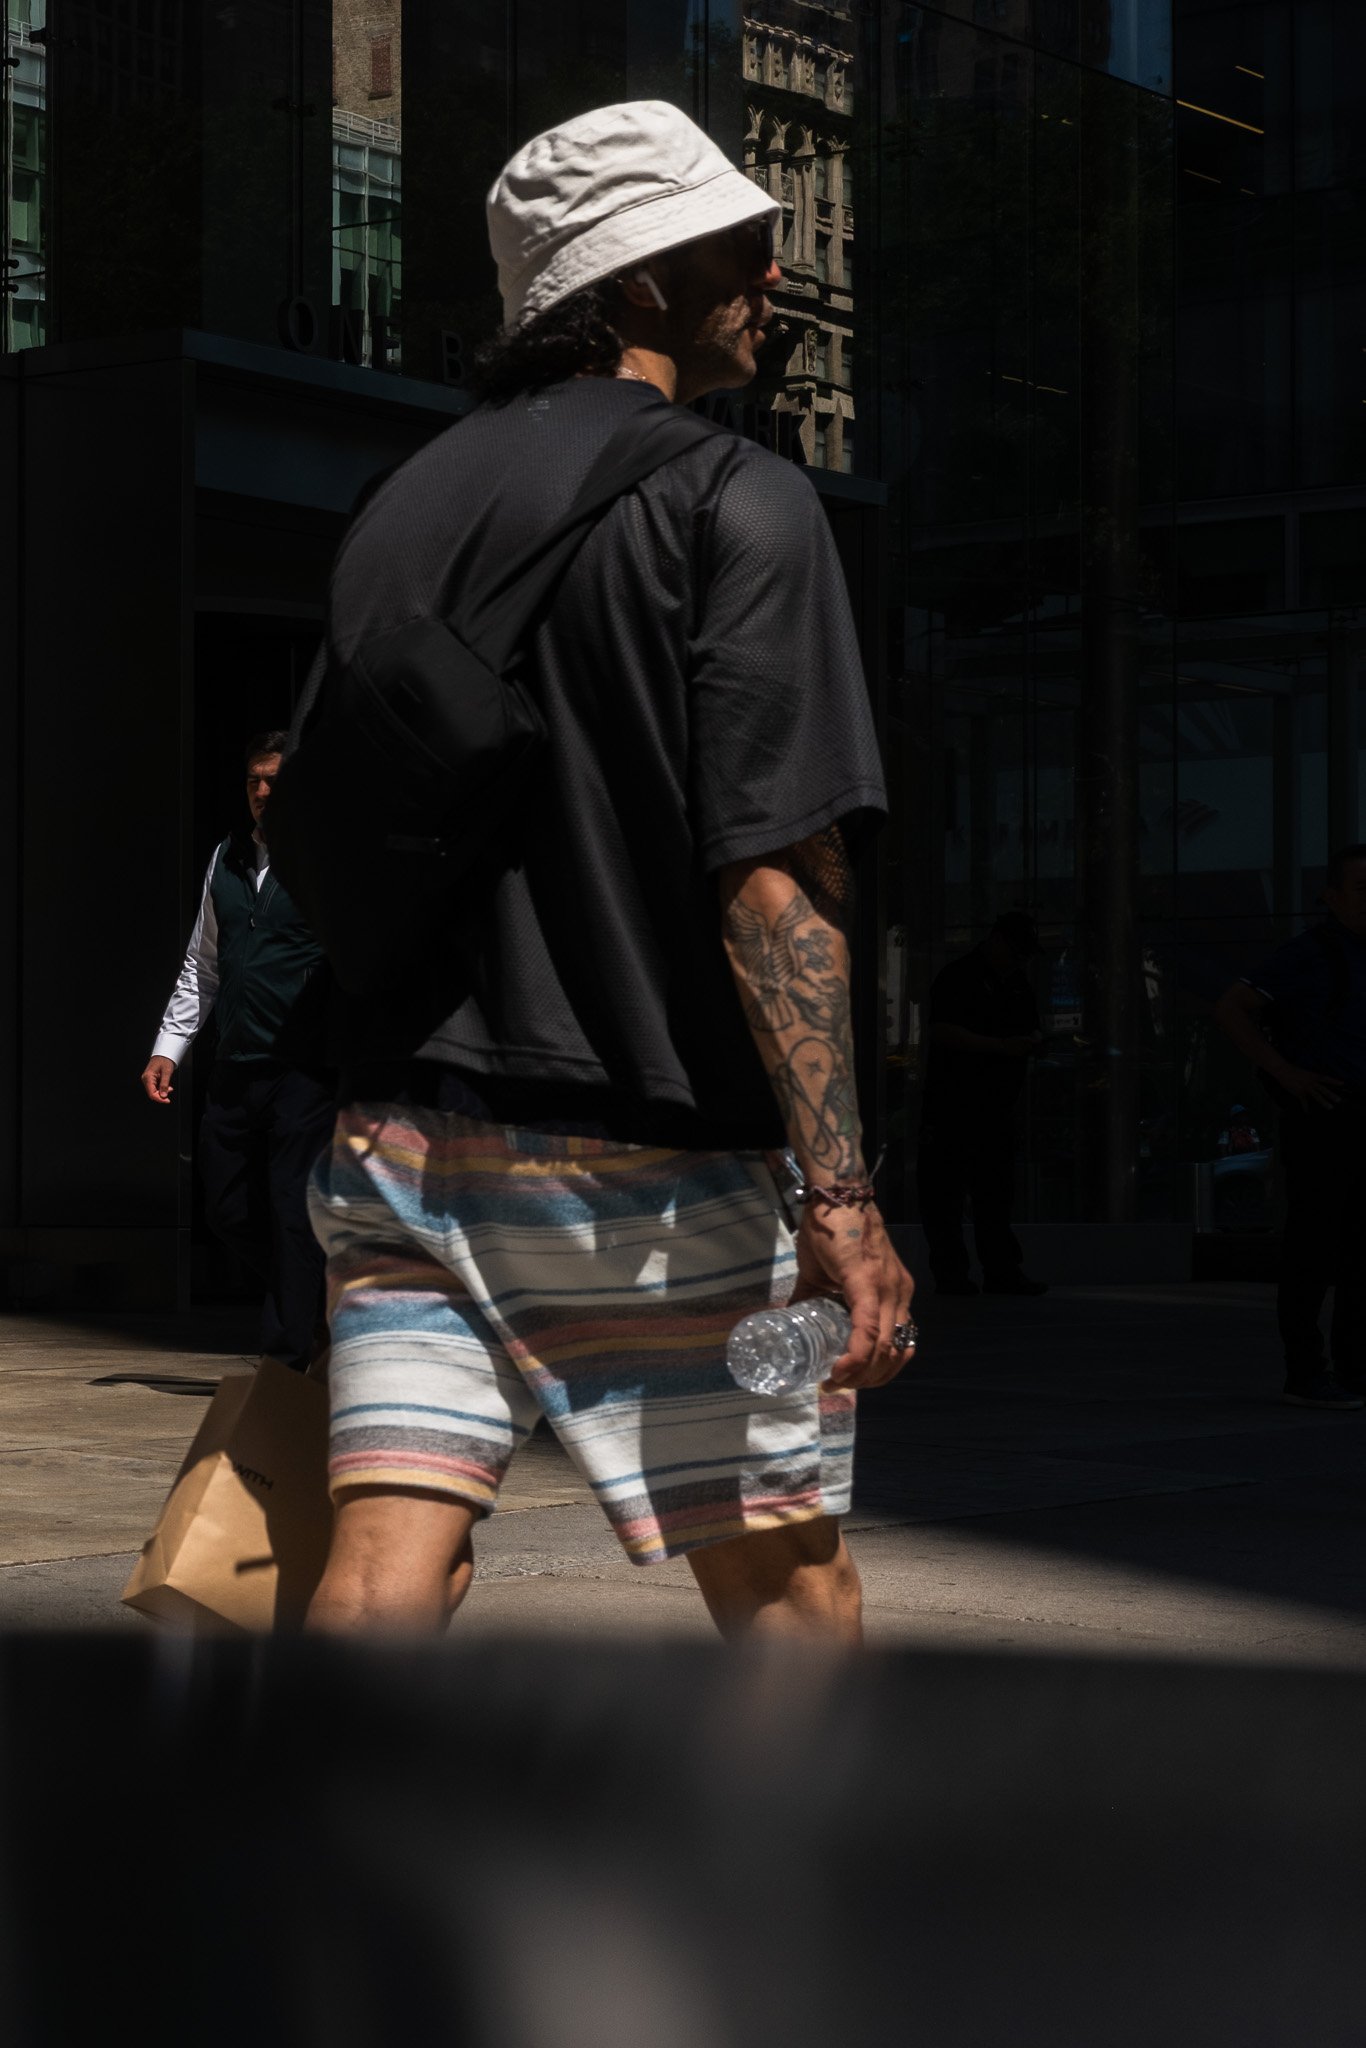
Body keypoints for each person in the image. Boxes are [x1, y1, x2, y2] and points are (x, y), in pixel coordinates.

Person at [302, 99, 916, 1643]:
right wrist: (841, 1198)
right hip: (657, 1165)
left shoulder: (399, 505)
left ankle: (291, 1868)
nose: (776, 274)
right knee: (787, 1582)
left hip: (398, 1144)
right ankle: (786, 1889)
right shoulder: (736, 497)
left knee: (386, 1564)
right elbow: (775, 878)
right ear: (632, 282)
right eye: (745, 246)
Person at [141, 733, 333, 1372]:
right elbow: (204, 964)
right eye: (253, 781)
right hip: (235, 1061)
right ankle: (315, 1294)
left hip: (304, 1067)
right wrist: (171, 1046)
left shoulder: (324, 859)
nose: (261, 792)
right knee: (225, 1208)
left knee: (289, 1204)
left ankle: (287, 1360)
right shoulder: (226, 856)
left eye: (274, 780)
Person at [1214, 845, 1366, 1410]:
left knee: (1358, 1250)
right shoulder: (1311, 952)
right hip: (1326, 1113)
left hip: (1357, 1110)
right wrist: (1285, 1072)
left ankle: (1353, 1370)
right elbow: (1231, 1006)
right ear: (1330, 895)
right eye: (1360, 887)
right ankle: (1307, 1370)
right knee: (1314, 1246)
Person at [917, 910, 1048, 1297]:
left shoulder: (1016, 984)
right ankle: (954, 1275)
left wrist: (1028, 1043)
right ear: (998, 941)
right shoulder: (959, 977)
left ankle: (1000, 1271)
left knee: (994, 1194)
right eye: (1017, 951)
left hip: (995, 1107)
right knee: (947, 1197)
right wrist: (1000, 1048)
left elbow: (1028, 1028)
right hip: (954, 1105)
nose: (1021, 960)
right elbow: (941, 1030)